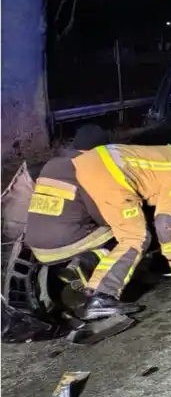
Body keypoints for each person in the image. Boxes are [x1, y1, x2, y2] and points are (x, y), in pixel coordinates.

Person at [29, 143, 171, 320]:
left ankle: (87, 266)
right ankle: (101, 296)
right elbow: (165, 224)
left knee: (119, 229)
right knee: (136, 237)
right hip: (109, 176)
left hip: (91, 165)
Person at [24, 124, 110, 290]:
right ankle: (86, 263)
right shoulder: (88, 167)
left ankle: (70, 268)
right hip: (63, 243)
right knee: (119, 232)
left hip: (35, 246)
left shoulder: (51, 164)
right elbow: (99, 212)